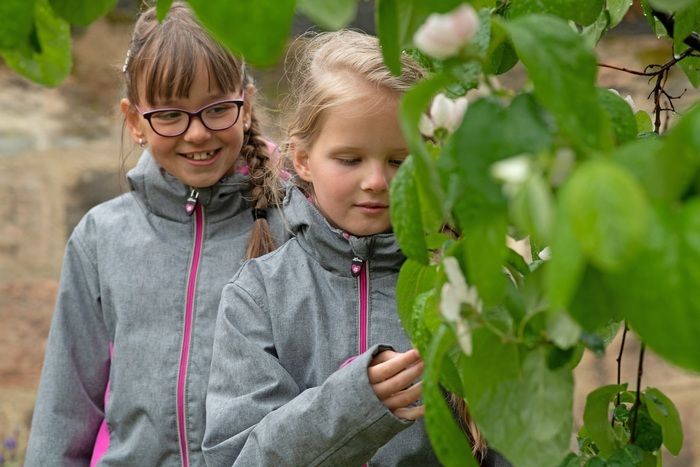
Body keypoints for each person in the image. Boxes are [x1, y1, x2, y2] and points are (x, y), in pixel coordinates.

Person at [203, 29, 499, 466]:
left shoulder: (459, 282)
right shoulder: (259, 295)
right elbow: (236, 458)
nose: (377, 181)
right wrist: (356, 406)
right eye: (350, 159)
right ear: (302, 158)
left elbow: (510, 443)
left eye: (399, 160)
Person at [24, 3, 287, 465]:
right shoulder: (100, 238)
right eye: (170, 115)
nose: (198, 134)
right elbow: (63, 412)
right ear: (134, 121)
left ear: (245, 105)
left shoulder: (295, 224)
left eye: (218, 109)